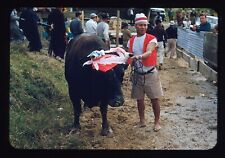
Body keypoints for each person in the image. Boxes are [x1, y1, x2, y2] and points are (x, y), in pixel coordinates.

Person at [127, 13, 163, 131]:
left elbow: (149, 52)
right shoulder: (131, 41)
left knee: (154, 99)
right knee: (139, 99)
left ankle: (157, 122)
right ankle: (142, 121)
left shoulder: (151, 39)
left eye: (145, 25)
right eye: (140, 25)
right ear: (135, 26)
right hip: (137, 74)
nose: (143, 27)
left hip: (150, 73)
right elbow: (129, 56)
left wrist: (138, 57)